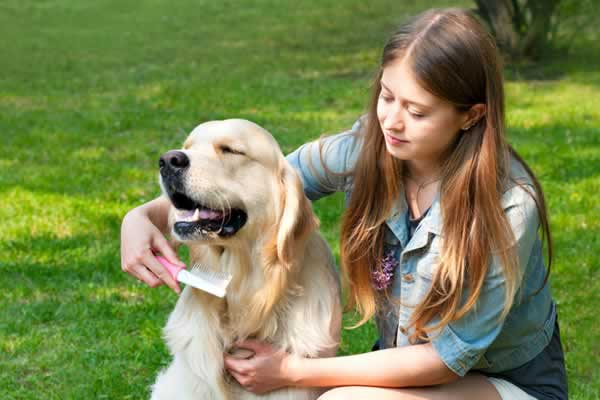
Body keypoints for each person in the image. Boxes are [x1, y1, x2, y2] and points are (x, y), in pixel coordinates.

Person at [120, 8, 568, 400]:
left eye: (416, 111)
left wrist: (294, 371)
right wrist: (143, 215)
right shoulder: (367, 150)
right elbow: (269, 186)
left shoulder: (507, 207)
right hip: (409, 372)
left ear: (470, 116)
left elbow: (444, 360)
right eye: (386, 97)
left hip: (501, 383)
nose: (392, 121)